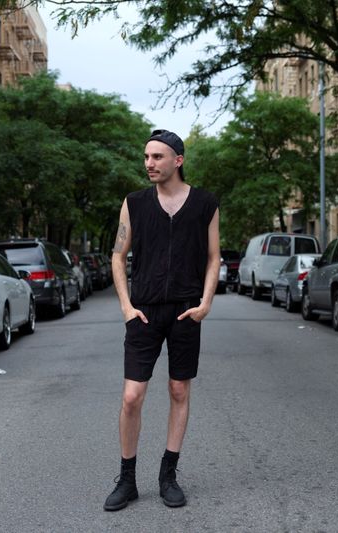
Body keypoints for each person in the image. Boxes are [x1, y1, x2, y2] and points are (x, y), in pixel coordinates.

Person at [104, 129, 220, 511]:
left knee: (178, 391)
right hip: (144, 311)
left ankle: (168, 475)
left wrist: (205, 304)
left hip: (187, 310)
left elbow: (213, 258)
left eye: (157, 157)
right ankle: (127, 479)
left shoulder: (205, 203)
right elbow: (118, 257)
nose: (149, 164)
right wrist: (125, 307)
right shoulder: (135, 204)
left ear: (178, 161)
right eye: (147, 157)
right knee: (132, 396)